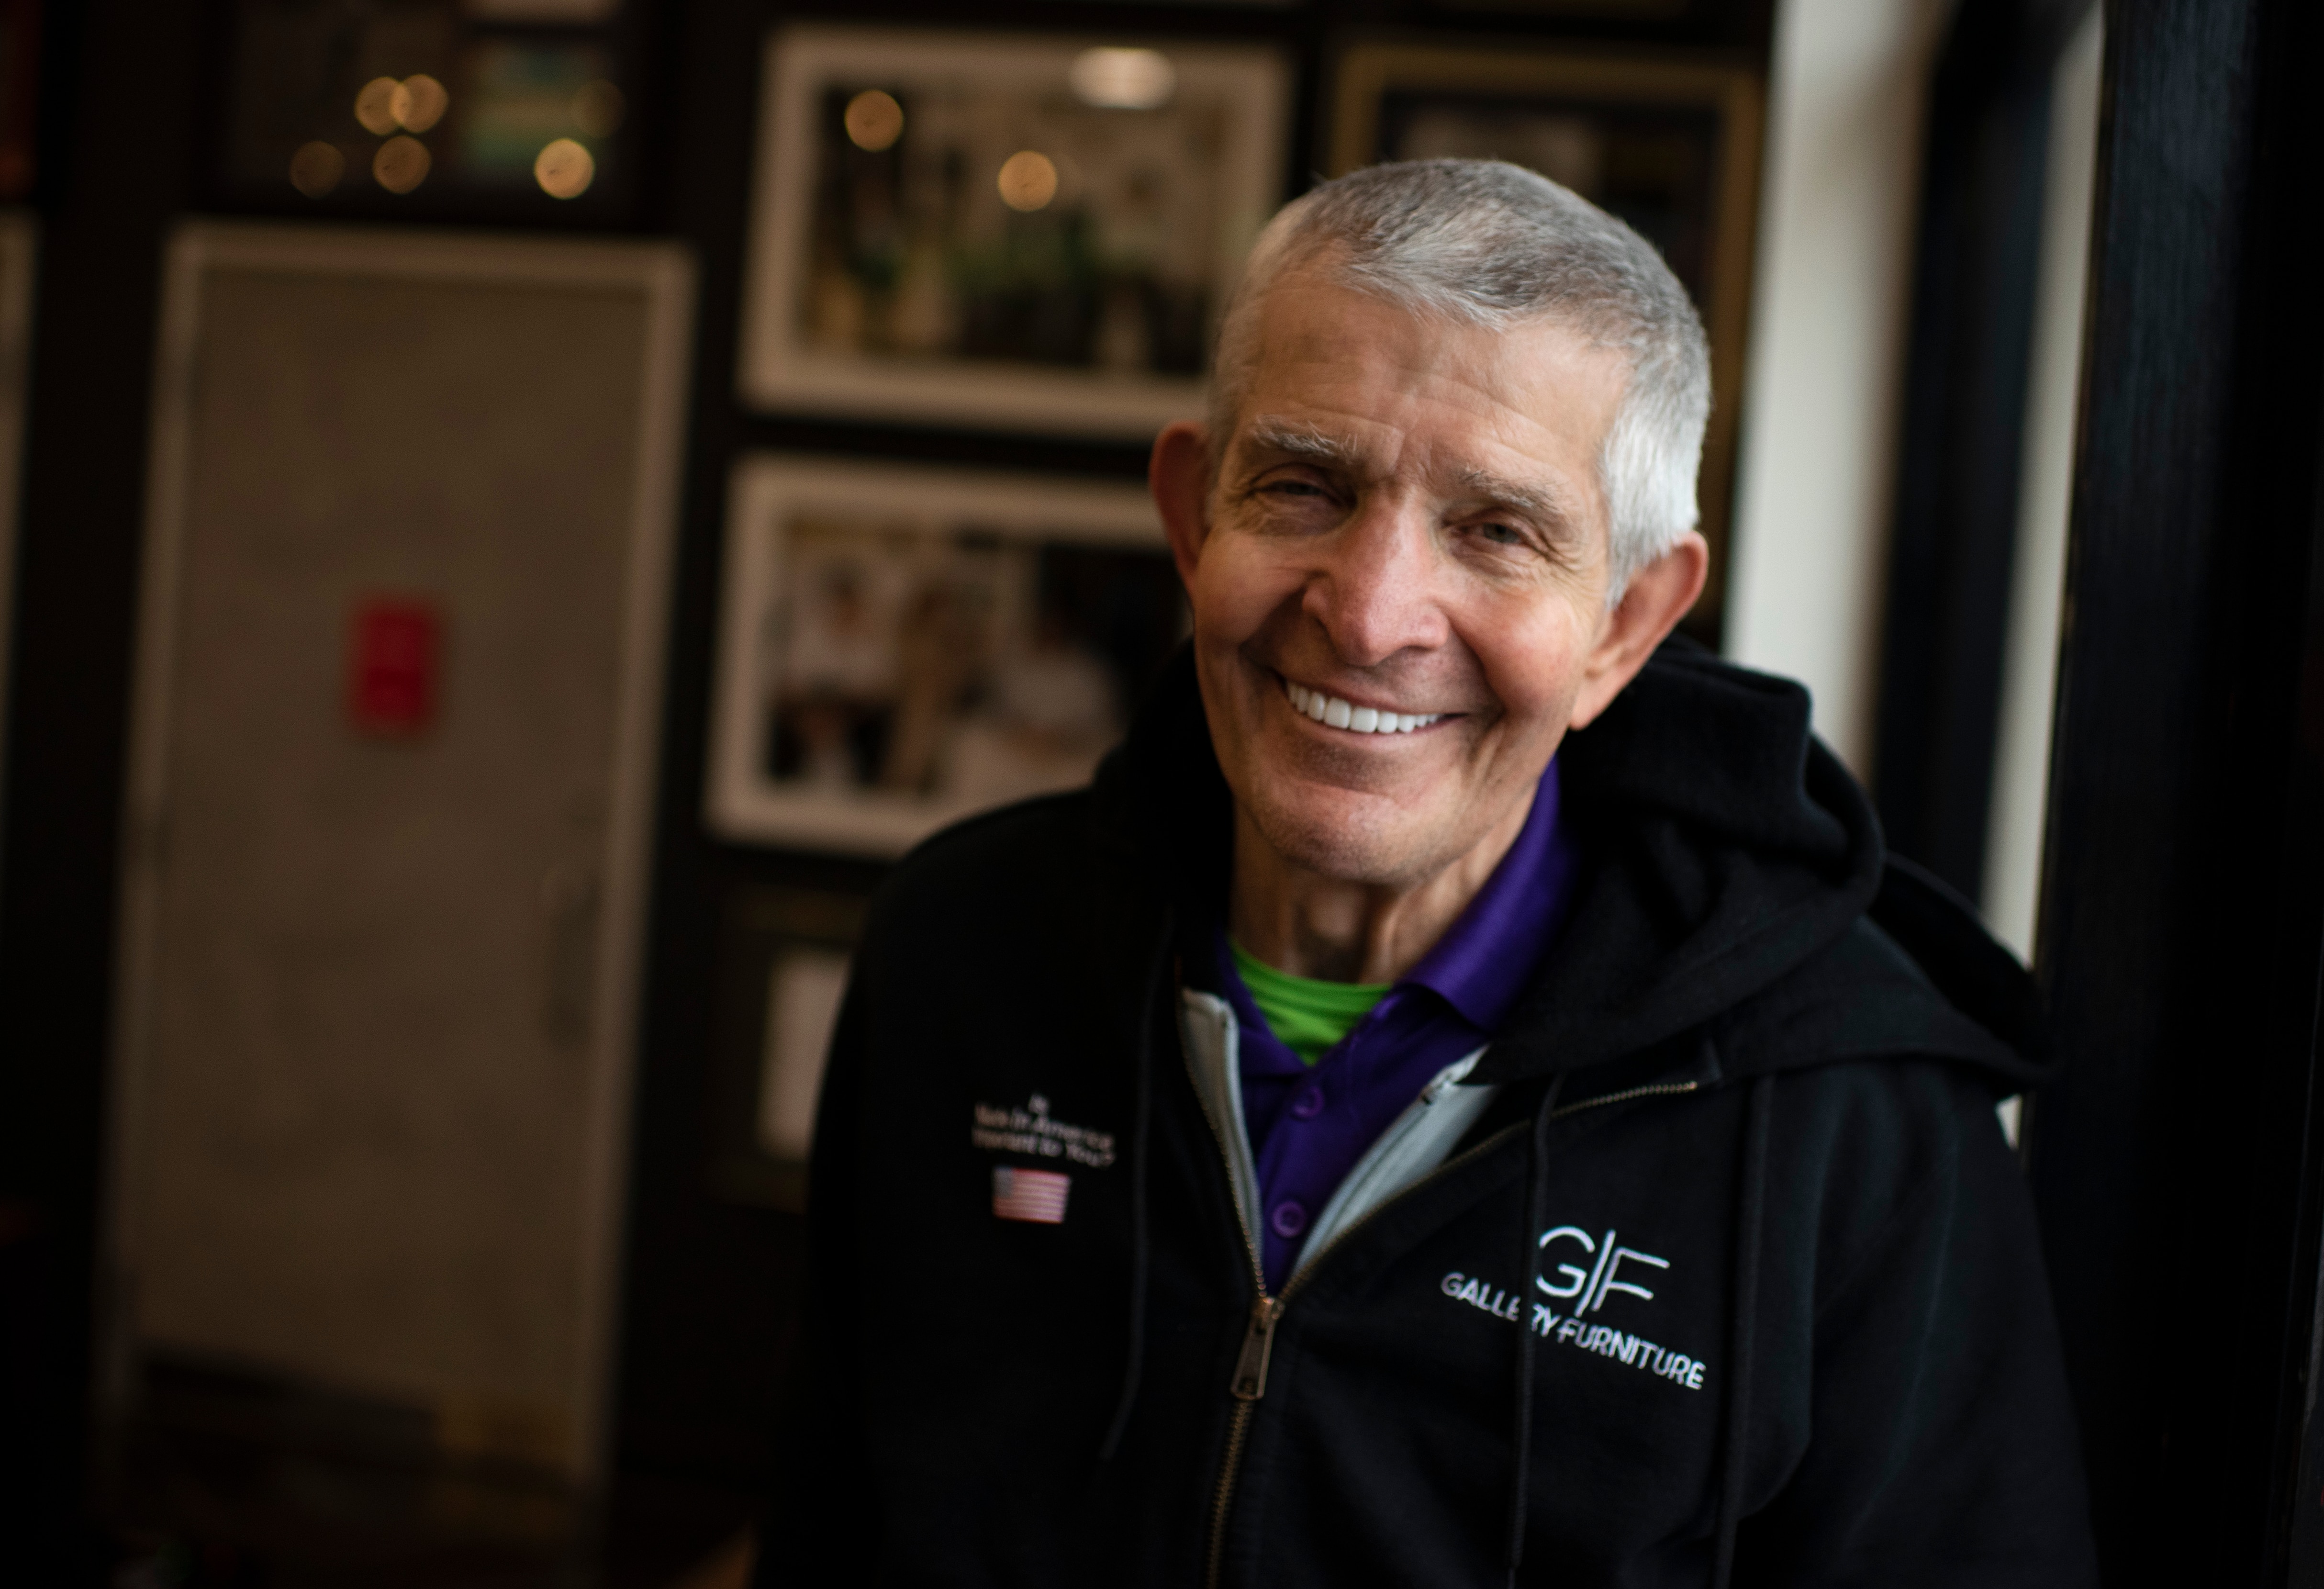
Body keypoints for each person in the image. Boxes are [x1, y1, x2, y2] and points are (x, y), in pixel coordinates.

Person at [757, 160, 2098, 1588]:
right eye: (1303, 486)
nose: (1374, 613)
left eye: (1498, 531)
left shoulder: (1858, 1118)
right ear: (1190, 518)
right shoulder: (958, 951)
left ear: (1626, 626)